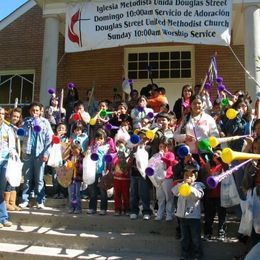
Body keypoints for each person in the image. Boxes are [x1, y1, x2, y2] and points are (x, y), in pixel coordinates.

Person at [19, 102, 53, 209]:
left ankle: (40, 200)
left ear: (40, 111)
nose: (35, 112)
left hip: (40, 154)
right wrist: (25, 126)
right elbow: (20, 136)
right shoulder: (26, 121)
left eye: (37, 110)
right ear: (30, 111)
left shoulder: (45, 122)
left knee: (39, 178)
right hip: (28, 153)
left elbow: (49, 139)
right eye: (33, 110)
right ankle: (25, 200)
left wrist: (46, 154)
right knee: (27, 178)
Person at [174, 95, 219, 165]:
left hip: (205, 155)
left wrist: (204, 143)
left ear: (203, 104)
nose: (197, 105)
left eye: (199, 103)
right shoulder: (185, 119)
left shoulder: (209, 119)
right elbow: (175, 136)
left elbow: (215, 136)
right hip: (189, 156)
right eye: (194, 103)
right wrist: (185, 137)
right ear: (190, 105)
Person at [172, 165, 205, 260]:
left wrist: (191, 188)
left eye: (191, 176)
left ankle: (198, 255)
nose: (188, 177)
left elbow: (199, 195)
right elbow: (174, 192)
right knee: (184, 238)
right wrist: (181, 185)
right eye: (186, 175)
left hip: (193, 217)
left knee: (195, 238)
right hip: (182, 217)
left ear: (195, 177)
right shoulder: (181, 185)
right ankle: (184, 255)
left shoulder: (198, 186)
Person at [86, 128, 115, 215]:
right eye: (97, 138)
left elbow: (110, 159)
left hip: (103, 171)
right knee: (93, 191)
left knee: (103, 191)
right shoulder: (92, 147)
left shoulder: (107, 148)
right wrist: (90, 151)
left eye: (101, 138)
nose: (98, 140)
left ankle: (103, 208)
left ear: (105, 139)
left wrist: (108, 170)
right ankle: (92, 208)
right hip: (93, 171)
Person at [203, 150, 228, 241]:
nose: (216, 155)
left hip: (221, 195)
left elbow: (226, 169)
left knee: (222, 216)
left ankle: (222, 234)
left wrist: (222, 160)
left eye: (218, 153)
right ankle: (208, 233)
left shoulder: (224, 165)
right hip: (210, 195)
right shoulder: (211, 167)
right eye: (214, 154)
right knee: (209, 216)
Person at [154, 137, 177, 221]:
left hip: (168, 178)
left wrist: (162, 157)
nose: (161, 148)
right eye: (160, 147)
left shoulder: (170, 154)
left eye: (163, 147)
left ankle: (169, 214)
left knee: (169, 197)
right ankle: (160, 214)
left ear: (167, 147)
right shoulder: (157, 155)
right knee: (160, 197)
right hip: (159, 178)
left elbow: (171, 162)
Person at [4, 107, 23, 211]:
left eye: (17, 117)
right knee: (8, 179)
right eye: (14, 116)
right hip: (8, 155)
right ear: (10, 116)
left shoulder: (17, 128)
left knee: (15, 178)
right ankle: (6, 203)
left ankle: (13, 202)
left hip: (16, 156)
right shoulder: (6, 127)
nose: (15, 118)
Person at [0, 107, 16, 228]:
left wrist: (12, 153)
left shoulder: (8, 129)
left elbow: (12, 146)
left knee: (1, 189)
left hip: (4, 161)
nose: (1, 115)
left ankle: (3, 218)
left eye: (2, 114)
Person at [112, 139, 131, 216]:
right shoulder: (115, 155)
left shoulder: (128, 155)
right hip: (116, 178)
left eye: (121, 146)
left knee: (126, 194)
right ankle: (117, 209)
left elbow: (129, 165)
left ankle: (126, 209)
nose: (120, 147)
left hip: (125, 179)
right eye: (118, 146)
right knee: (117, 194)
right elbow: (112, 165)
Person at [67, 142, 84, 214]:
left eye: (75, 149)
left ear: (79, 149)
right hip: (70, 178)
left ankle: (78, 208)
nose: (74, 151)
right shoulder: (70, 157)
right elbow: (67, 167)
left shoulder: (81, 157)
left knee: (77, 194)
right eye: (72, 150)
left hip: (78, 178)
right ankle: (71, 207)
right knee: (71, 193)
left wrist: (76, 165)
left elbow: (82, 168)